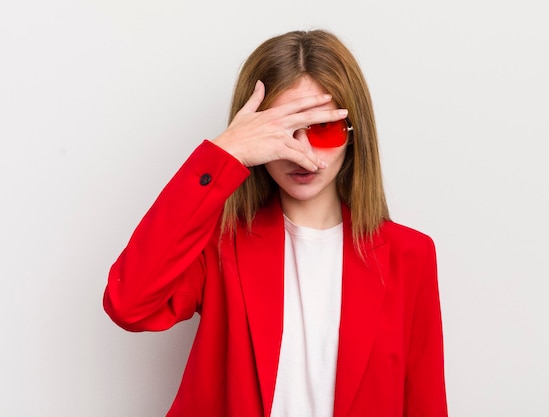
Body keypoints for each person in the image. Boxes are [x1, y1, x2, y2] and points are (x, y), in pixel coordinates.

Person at [104, 29, 448, 417]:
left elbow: (425, 402)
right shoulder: (220, 244)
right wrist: (224, 155)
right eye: (282, 132)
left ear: (353, 135)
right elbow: (128, 304)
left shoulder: (410, 256)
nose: (302, 153)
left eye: (323, 128)